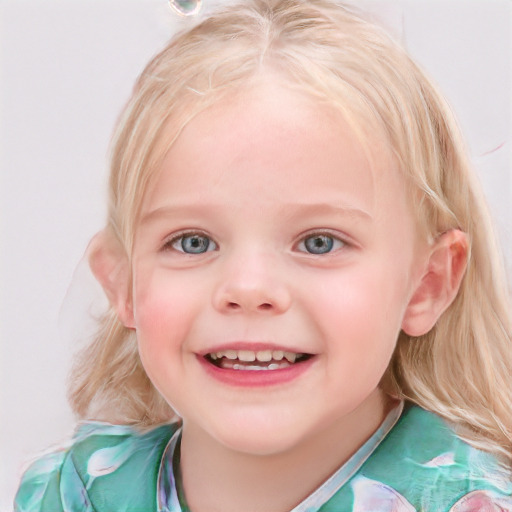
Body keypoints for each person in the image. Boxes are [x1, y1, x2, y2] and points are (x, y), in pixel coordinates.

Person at [14, 0, 512, 510]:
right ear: (123, 284)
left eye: (320, 242)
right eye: (193, 242)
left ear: (427, 283)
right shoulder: (71, 494)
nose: (249, 289)